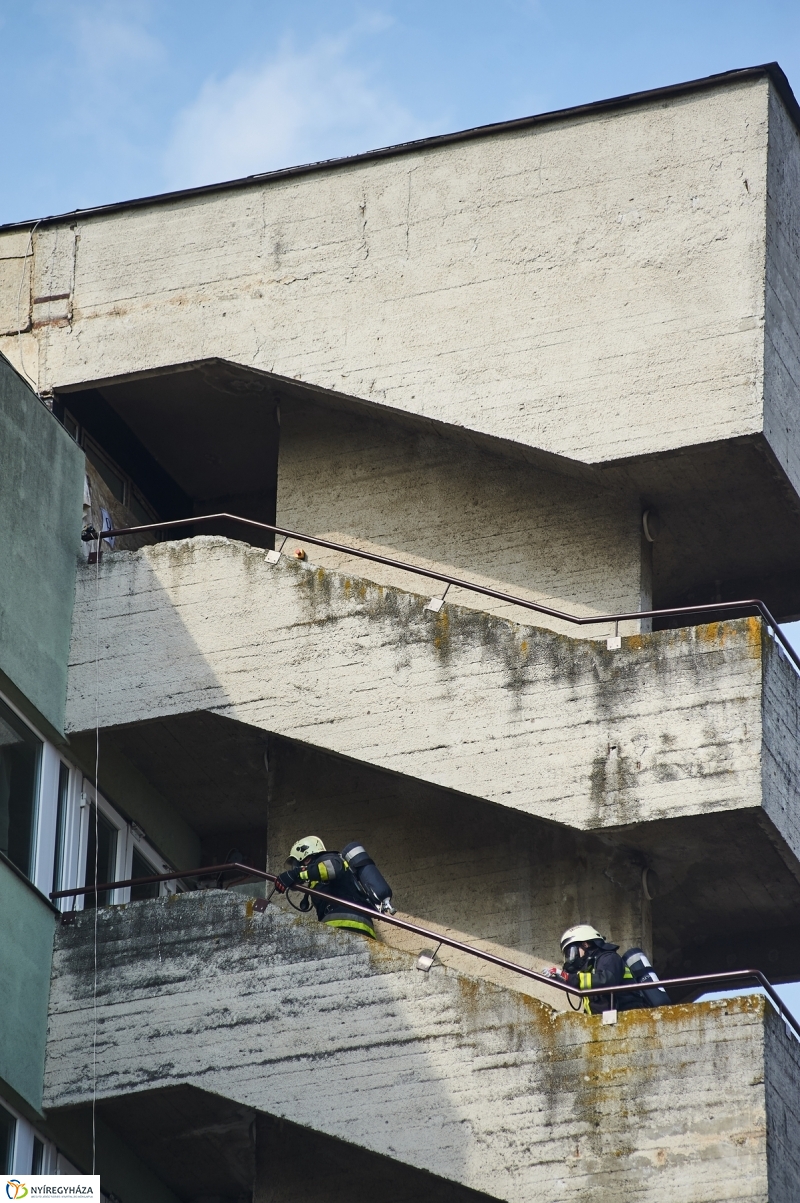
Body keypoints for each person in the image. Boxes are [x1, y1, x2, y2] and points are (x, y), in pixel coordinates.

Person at [274, 836, 394, 938]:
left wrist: (296, 874)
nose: (298, 868)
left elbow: (332, 868)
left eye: (298, 864)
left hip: (343, 923)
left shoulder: (328, 859)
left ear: (307, 858)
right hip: (362, 926)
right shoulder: (318, 877)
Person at [552, 924, 649, 1014]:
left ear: (585, 945)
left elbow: (607, 980)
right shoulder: (591, 968)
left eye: (571, 952)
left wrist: (570, 978)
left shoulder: (609, 957)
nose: (570, 958)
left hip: (628, 1015)